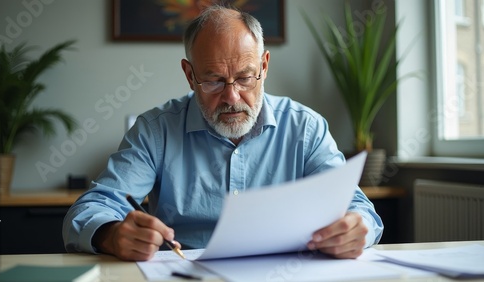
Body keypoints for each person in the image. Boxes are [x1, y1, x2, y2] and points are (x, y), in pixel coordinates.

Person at [63, 5, 383, 261]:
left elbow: (358, 208)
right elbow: (89, 210)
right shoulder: (155, 130)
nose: (231, 98)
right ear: (190, 75)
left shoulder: (306, 128)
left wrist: (357, 228)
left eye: (245, 78)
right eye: (214, 80)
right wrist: (112, 234)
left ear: (264, 67)